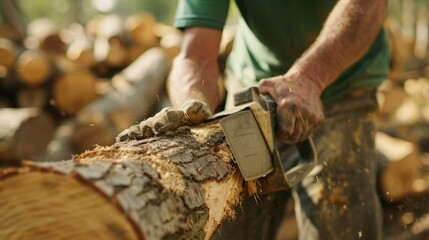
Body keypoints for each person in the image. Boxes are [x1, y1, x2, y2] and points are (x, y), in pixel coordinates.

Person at [118, 0, 390, 239]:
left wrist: (310, 79)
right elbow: (195, 54)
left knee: (339, 221)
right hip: (251, 89)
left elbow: (369, 5)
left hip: (341, 84)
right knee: (231, 225)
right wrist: (192, 103)